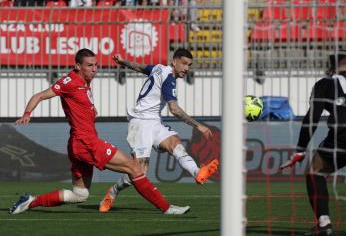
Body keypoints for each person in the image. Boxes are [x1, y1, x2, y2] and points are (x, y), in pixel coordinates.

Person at [9, 48, 189, 215]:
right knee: (135, 167)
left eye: (96, 65)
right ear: (77, 66)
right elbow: (39, 95)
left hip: (78, 144)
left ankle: (30, 201)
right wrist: (27, 114)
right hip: (86, 143)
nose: (94, 69)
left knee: (80, 195)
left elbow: (79, 104)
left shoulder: (85, 81)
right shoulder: (69, 82)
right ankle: (167, 208)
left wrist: (90, 110)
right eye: (89, 65)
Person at [98, 48, 219, 213]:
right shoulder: (169, 77)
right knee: (139, 172)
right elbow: (174, 110)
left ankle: (198, 172)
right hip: (140, 123)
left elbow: (140, 67)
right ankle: (112, 192)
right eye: (183, 64)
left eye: (189, 65)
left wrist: (123, 61)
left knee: (175, 144)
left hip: (154, 121)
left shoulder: (158, 68)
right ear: (174, 61)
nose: (186, 69)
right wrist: (199, 125)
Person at [279, 52, 346, 236]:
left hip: (341, 140)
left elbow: (312, 119)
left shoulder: (325, 84)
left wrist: (300, 151)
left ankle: (324, 223)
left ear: (331, 68)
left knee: (314, 172)